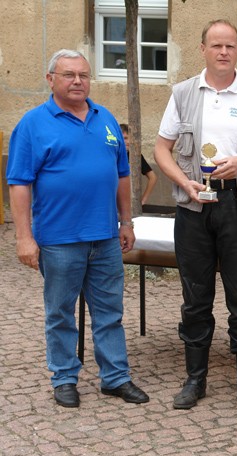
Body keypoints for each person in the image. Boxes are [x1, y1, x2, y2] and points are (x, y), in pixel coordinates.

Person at [154, 19, 237, 412]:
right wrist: (184, 182)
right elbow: (162, 149)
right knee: (195, 300)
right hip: (194, 206)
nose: (223, 52)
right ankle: (195, 380)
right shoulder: (182, 93)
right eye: (216, 45)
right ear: (203, 49)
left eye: (230, 46)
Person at [6, 49, 149, 408]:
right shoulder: (33, 124)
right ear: (50, 79)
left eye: (83, 75)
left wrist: (126, 220)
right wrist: (24, 237)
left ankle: (115, 377)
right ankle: (65, 377)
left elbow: (122, 174)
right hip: (58, 240)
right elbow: (19, 183)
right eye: (68, 75)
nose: (77, 81)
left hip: (104, 237)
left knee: (110, 312)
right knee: (60, 313)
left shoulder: (106, 119)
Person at [119, 123, 158, 205]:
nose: (129, 141)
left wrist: (143, 199)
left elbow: (153, 177)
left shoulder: (136, 156)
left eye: (131, 138)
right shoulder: (112, 155)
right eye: (125, 138)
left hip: (129, 202)